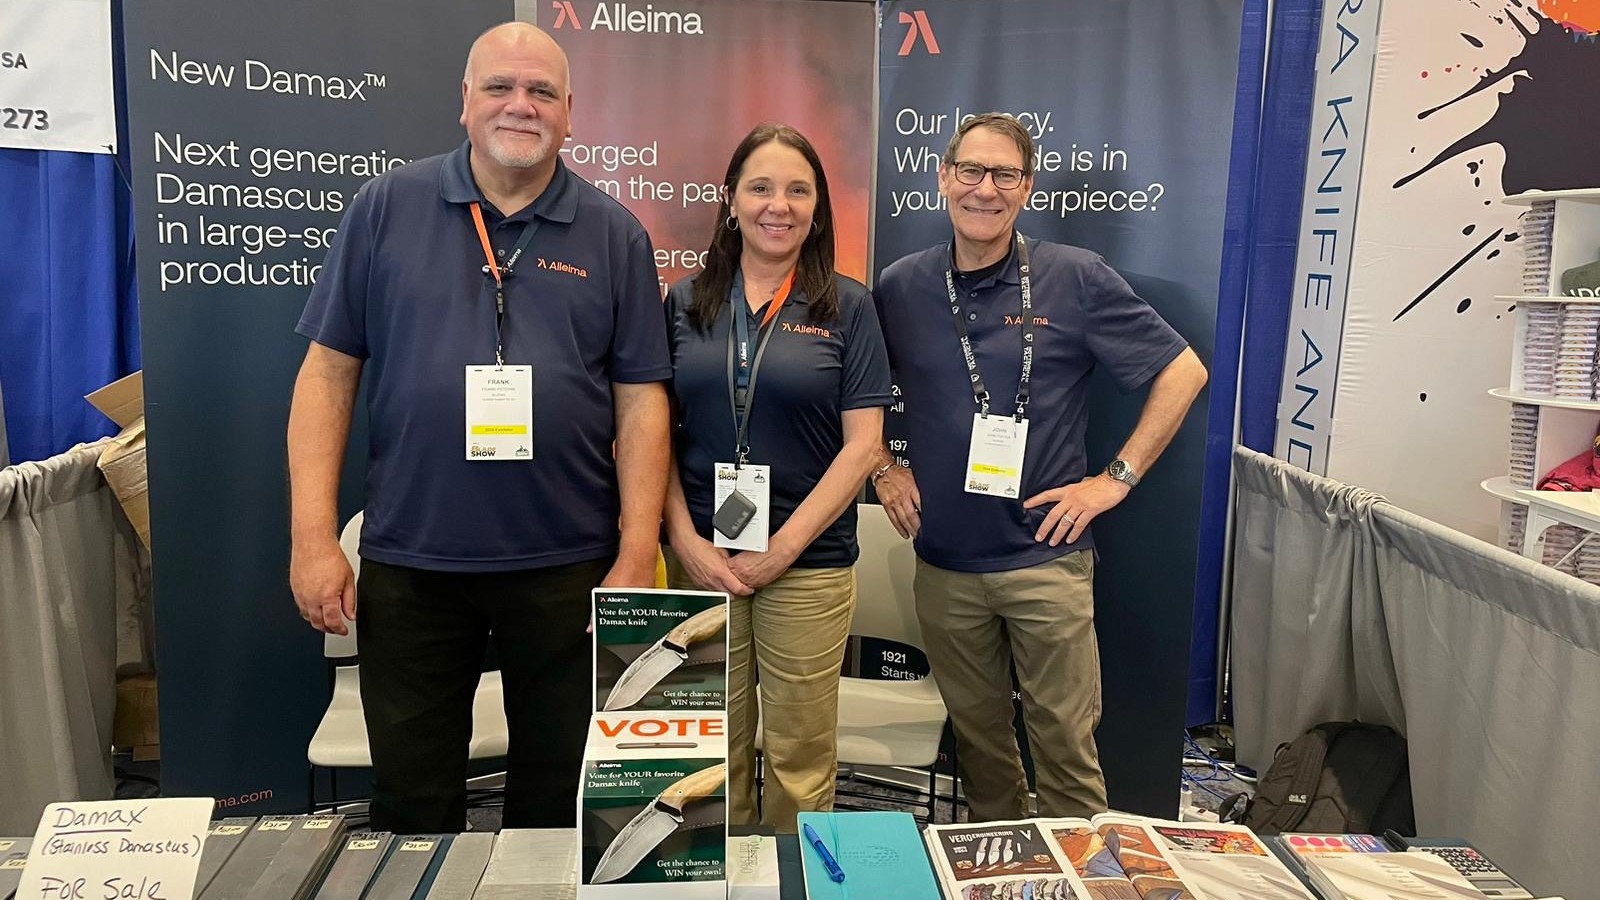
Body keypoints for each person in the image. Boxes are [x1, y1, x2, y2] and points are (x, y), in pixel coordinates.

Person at [286, 22, 670, 833]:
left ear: (571, 112)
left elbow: (641, 400)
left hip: (570, 563)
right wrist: (313, 538)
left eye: (541, 93)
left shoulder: (616, 233)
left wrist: (639, 547)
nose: (519, 106)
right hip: (413, 560)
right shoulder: (385, 208)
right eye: (500, 87)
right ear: (465, 102)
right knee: (413, 804)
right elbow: (326, 377)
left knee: (559, 806)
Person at [872, 112, 1208, 821]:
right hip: (945, 566)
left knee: (1065, 749)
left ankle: (1080, 878)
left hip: (1045, 560)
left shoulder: (1073, 276)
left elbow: (1183, 370)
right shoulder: (901, 286)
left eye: (1004, 175)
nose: (984, 189)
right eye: (970, 170)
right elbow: (852, 391)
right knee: (982, 752)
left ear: (1025, 188)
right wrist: (881, 468)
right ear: (943, 177)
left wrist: (1114, 480)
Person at [661, 124, 892, 830]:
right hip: (700, 562)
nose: (778, 205)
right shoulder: (684, 302)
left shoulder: (847, 307)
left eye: (798, 190)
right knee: (705, 754)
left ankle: (788, 878)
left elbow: (863, 449)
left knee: (798, 757)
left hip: (809, 566)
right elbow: (651, 440)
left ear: (819, 208)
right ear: (730, 200)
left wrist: (780, 551)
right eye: (760, 187)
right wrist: (686, 541)